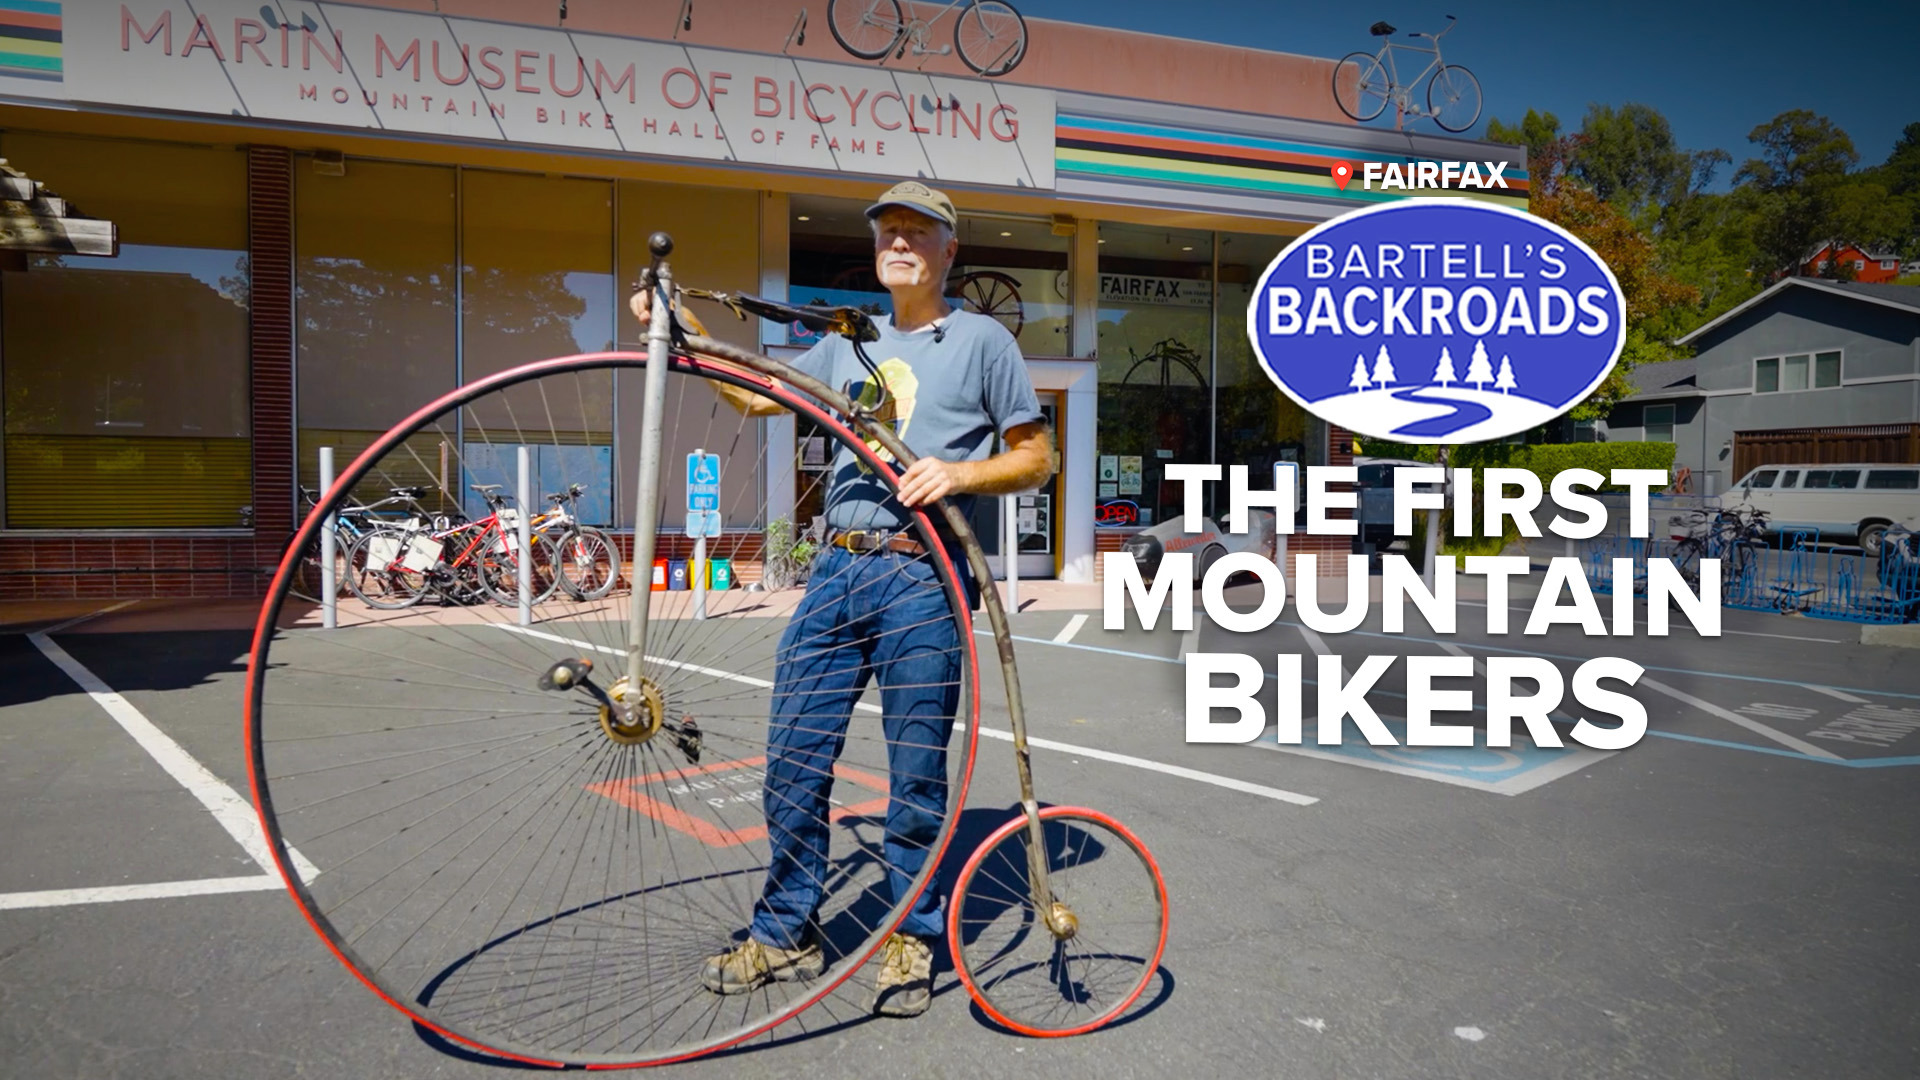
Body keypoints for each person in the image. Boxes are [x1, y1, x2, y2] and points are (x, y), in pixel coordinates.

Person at [628, 180, 1052, 1017]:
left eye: (917, 232)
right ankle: (787, 930)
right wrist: (692, 332)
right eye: (888, 231)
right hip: (837, 571)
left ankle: (910, 937)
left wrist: (962, 473)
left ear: (947, 251)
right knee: (793, 759)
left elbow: (1036, 458)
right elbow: (756, 394)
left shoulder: (982, 342)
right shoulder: (845, 341)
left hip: (922, 577)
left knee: (917, 776)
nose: (900, 243)